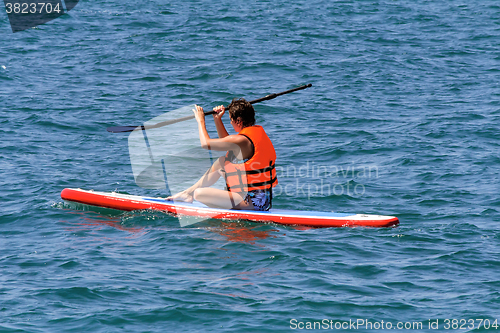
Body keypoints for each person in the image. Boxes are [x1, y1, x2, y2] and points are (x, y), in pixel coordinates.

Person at [167, 98, 277, 211]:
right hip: (261, 198)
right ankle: (187, 193)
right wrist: (217, 120)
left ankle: (193, 195)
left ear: (238, 121)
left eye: (231, 120)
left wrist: (200, 120)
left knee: (199, 194)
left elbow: (206, 144)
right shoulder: (253, 136)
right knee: (222, 162)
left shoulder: (242, 141)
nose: (230, 123)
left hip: (252, 203)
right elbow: (227, 142)